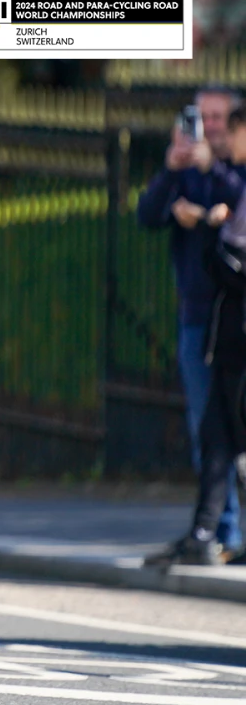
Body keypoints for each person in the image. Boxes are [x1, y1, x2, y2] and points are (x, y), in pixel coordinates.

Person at [138, 87, 245, 560]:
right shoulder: (185, 169)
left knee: (227, 431)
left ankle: (221, 533)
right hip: (199, 317)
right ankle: (220, 533)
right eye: (202, 117)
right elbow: (147, 215)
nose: (211, 126)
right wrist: (172, 169)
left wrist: (207, 191)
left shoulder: (233, 170)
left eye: (219, 117)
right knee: (209, 428)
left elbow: (236, 210)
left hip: (236, 319)